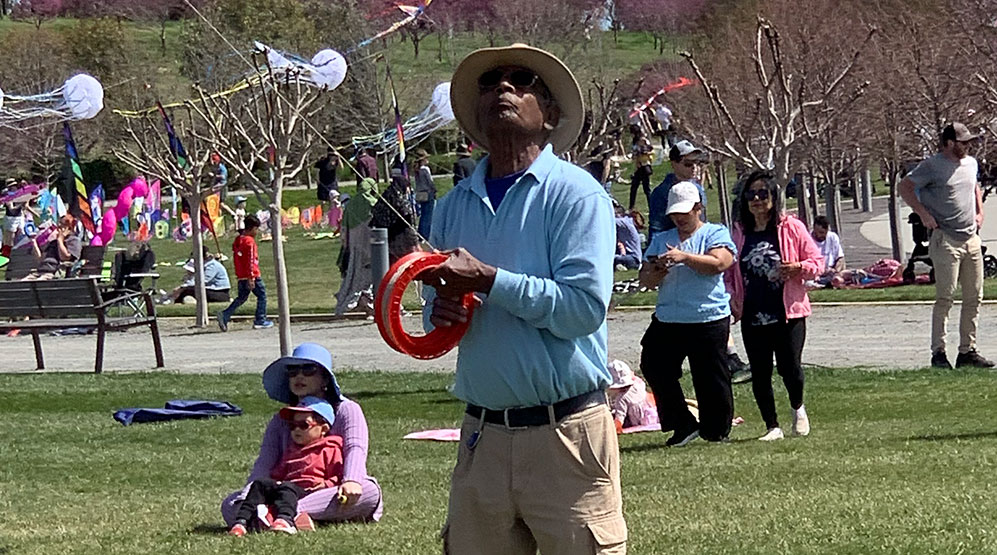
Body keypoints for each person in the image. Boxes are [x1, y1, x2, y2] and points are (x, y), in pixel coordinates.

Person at [421, 44, 626, 553]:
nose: (503, 89)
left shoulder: (577, 195)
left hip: (569, 436)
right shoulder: (451, 206)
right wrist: (443, 311)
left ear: (551, 115)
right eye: (490, 83)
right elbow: (441, 317)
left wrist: (490, 280)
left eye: (522, 81)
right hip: (482, 435)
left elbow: (582, 309)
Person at [221, 343, 384, 527]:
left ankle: (278, 516)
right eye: (292, 370)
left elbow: (355, 448)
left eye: (309, 369)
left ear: (325, 379)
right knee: (229, 504)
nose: (299, 375)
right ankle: (290, 517)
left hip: (329, 488)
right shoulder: (280, 419)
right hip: (286, 490)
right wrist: (247, 496)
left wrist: (352, 481)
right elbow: (265, 462)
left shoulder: (347, 409)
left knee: (370, 491)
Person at [725, 171, 823, 441]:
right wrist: (732, 295)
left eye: (762, 194)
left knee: (790, 366)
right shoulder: (739, 232)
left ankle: (797, 408)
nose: (757, 200)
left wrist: (798, 268)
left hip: (788, 311)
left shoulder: (791, 227)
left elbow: (817, 263)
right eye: (751, 195)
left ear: (773, 197)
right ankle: (772, 426)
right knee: (760, 372)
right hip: (753, 312)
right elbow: (729, 273)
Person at [638, 181, 736, 446]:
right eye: (674, 214)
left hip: (707, 317)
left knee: (710, 376)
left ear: (698, 208)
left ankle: (716, 431)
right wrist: (657, 270)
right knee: (654, 365)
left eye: (684, 212)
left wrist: (685, 258)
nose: (679, 218)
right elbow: (645, 279)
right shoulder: (661, 239)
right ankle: (682, 424)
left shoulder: (715, 233)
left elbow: (719, 263)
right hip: (669, 318)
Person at [899, 122, 994, 369]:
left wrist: (980, 212)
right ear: (950, 143)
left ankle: (967, 352)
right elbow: (905, 187)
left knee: (974, 297)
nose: (967, 146)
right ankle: (938, 353)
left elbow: (975, 186)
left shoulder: (971, 164)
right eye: (963, 142)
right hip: (945, 240)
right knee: (946, 297)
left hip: (971, 238)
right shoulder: (932, 166)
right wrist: (922, 214)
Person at [228, 396, 344, 536]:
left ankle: (285, 520)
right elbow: (281, 470)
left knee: (287, 488)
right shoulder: (292, 449)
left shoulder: (330, 449)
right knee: (260, 484)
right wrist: (274, 482)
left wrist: (325, 484)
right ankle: (241, 522)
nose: (296, 430)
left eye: (303, 425)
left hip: (308, 490)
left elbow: (338, 475)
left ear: (323, 429)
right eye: (292, 425)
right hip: (285, 487)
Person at [217, 214, 272, 331]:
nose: (256, 232)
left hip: (241, 275)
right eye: (256, 229)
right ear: (252, 228)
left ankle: (225, 314)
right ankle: (260, 320)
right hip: (252, 275)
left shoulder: (238, 240)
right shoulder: (249, 242)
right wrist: (251, 277)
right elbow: (250, 260)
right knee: (262, 296)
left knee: (241, 298)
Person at [647, 140, 707, 242]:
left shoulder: (698, 188)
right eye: (688, 164)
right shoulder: (661, 193)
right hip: (673, 247)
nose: (694, 167)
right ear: (674, 164)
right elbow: (656, 228)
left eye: (697, 163)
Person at [335, 178, 378, 316]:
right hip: (371, 246)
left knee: (353, 276)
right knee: (370, 276)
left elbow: (344, 229)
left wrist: (345, 246)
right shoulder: (374, 204)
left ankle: (357, 302)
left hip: (354, 247)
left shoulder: (350, 205)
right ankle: (364, 302)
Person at [370, 168, 420, 264]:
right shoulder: (400, 199)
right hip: (399, 235)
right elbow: (408, 217)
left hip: (386, 235)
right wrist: (415, 239)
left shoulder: (386, 195)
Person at [162, 247, 231, 304]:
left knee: (188, 290)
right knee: (187, 289)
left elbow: (202, 280)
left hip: (219, 292)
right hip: (211, 290)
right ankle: (172, 299)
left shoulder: (212, 266)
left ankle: (173, 301)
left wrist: (183, 287)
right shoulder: (205, 264)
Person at [607, 359, 657, 432]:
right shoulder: (638, 382)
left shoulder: (621, 399)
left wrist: (616, 428)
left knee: (612, 417)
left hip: (640, 419)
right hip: (651, 409)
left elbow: (620, 416)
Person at [25, 215, 81, 280]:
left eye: (62, 225)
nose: (58, 227)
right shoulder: (53, 242)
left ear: (69, 228)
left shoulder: (74, 240)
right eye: (59, 224)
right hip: (40, 271)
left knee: (39, 282)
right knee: (22, 284)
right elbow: (40, 259)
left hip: (54, 273)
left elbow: (65, 258)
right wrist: (33, 241)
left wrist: (60, 240)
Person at [812, 215, 844, 285]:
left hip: (831, 271)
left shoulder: (832, 237)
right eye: (821, 233)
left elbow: (840, 258)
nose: (823, 236)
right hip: (815, 272)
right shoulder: (808, 240)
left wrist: (835, 270)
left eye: (825, 233)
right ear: (814, 229)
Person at [628, 125, 654, 211]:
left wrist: (641, 152)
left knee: (646, 189)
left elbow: (650, 150)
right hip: (638, 167)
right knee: (634, 187)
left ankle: (651, 206)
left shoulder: (643, 141)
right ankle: (631, 207)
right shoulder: (634, 141)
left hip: (644, 166)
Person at [413, 149, 436, 239]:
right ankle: (426, 234)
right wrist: (434, 190)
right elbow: (430, 182)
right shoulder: (425, 169)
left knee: (423, 214)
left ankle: (421, 233)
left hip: (420, 193)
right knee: (428, 215)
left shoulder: (416, 169)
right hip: (427, 192)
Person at [614, 200, 641, 270]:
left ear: (619, 214)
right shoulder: (626, 222)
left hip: (633, 258)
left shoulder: (625, 222)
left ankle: (623, 266)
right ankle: (621, 265)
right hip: (628, 256)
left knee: (611, 258)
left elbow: (609, 220)